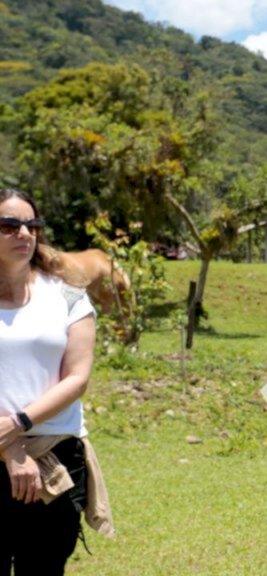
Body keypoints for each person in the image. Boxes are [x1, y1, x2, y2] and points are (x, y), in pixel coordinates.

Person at [0, 188, 109, 574]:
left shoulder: (67, 298)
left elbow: (77, 378)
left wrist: (16, 426)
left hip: (54, 458)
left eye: (32, 225)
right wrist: (10, 451)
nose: (24, 234)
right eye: (9, 226)